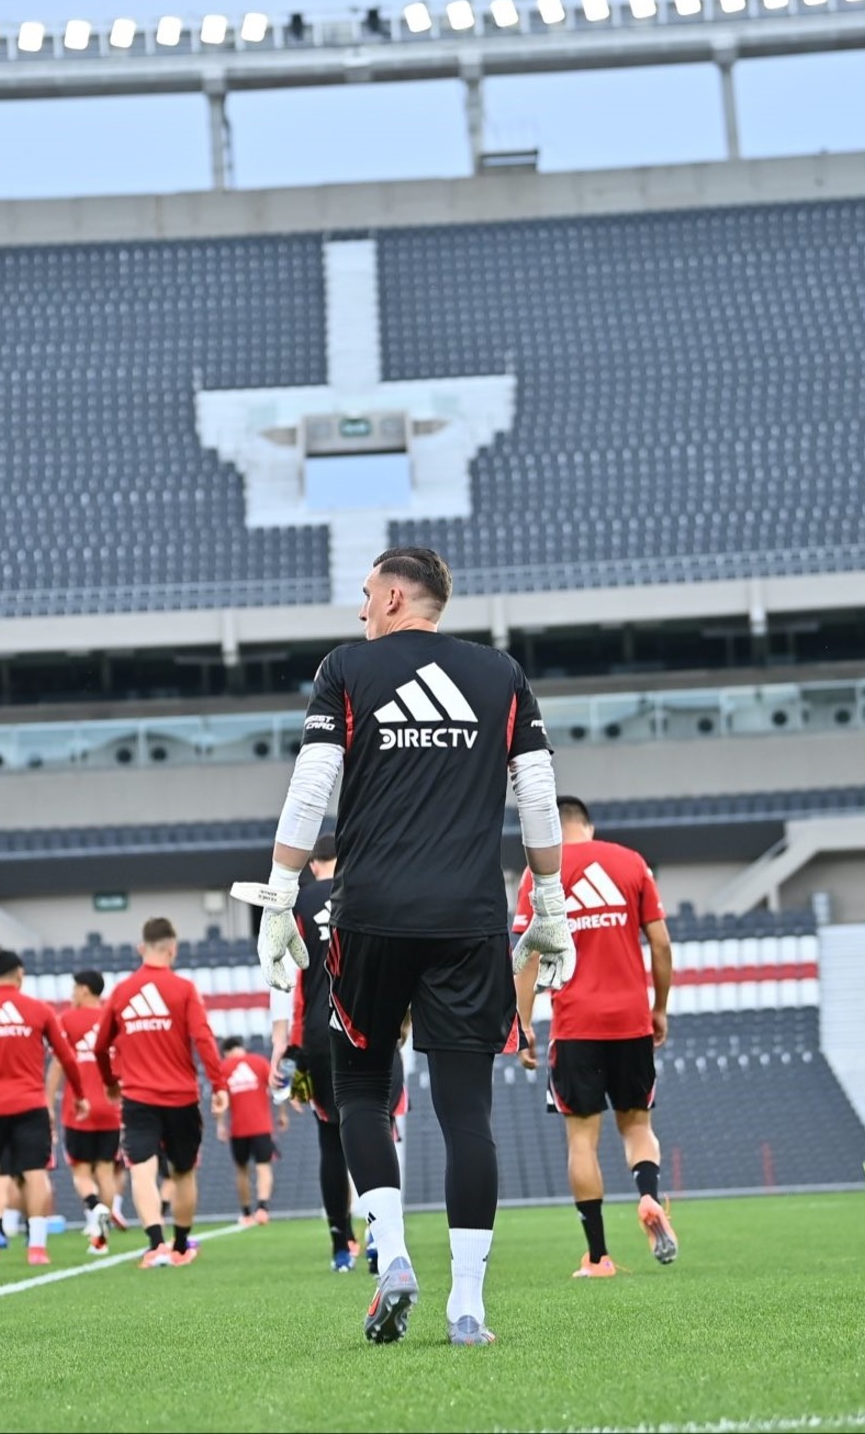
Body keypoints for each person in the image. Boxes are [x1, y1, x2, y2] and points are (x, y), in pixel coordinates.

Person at [235, 546, 570, 1347]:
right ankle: (469, 1309)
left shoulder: (347, 669)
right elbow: (541, 800)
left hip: (372, 916)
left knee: (358, 1090)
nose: (359, 610)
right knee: (467, 1114)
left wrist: (280, 896)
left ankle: (390, 1256)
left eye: (363, 595)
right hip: (469, 919)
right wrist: (549, 905)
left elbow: (311, 788)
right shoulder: (501, 675)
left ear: (391, 597)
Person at [513, 795, 679, 1275]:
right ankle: (648, 1197)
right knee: (637, 1127)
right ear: (589, 825)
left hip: (575, 1025)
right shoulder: (631, 863)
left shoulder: (540, 875)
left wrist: (523, 1025)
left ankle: (599, 1256)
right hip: (631, 1021)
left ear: (553, 827)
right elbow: (662, 944)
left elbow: (526, 956)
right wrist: (659, 1009)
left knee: (582, 1141)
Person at [93, 917, 231, 1269]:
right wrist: (218, 1086)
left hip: (138, 1097)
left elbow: (99, 1046)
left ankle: (155, 1246)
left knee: (141, 1169)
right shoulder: (184, 989)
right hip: (182, 1098)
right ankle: (182, 1247)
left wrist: (110, 1080)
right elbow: (204, 1039)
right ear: (173, 949)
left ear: (143, 948)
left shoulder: (121, 991)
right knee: (183, 1173)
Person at [0, 950, 88, 1268]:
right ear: (20, 974)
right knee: (35, 1172)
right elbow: (66, 1056)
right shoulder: (39, 1010)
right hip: (31, 1104)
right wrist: (80, 1093)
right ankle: (37, 1248)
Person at [269, 834, 364, 1271]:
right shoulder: (365, 889)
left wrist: (279, 1048)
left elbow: (282, 980)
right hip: (368, 1027)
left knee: (331, 1140)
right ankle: (381, 1243)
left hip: (314, 1040)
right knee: (376, 1130)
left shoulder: (295, 903)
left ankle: (340, 1247)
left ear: (312, 866)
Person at [51, 969, 124, 1254]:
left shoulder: (67, 1020)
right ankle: (102, 1234)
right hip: (111, 1108)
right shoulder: (114, 1019)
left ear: (84, 990)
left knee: (81, 1172)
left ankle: (95, 1208)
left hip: (78, 1109)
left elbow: (58, 1065)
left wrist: (48, 1104)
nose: (71, 995)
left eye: (73, 989)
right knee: (105, 1171)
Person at [218, 1036, 280, 1224]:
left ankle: (246, 1213)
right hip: (262, 1126)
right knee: (264, 1167)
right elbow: (277, 1088)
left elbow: (221, 1099)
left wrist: (221, 1124)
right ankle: (263, 1208)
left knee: (242, 1170)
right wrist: (283, 1114)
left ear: (227, 1052)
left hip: (238, 1128)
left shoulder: (224, 1067)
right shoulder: (259, 1062)